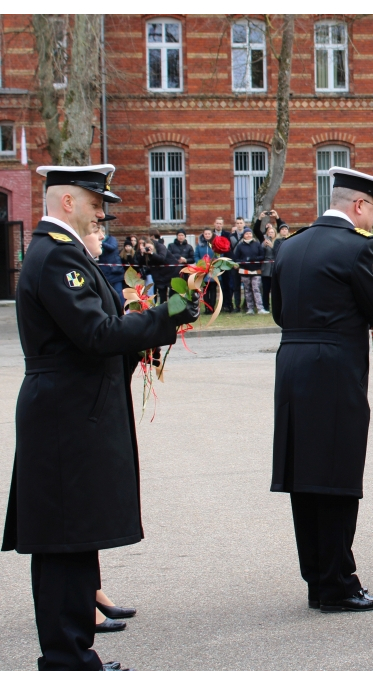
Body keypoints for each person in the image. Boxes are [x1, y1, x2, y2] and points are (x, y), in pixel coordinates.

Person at [1, 164, 198, 671]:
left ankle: (73, 651)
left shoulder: (58, 253)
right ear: (68, 202)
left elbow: (100, 333)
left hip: (69, 407)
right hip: (66, 412)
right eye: (94, 203)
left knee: (74, 534)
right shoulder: (56, 257)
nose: (100, 213)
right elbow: (95, 334)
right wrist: (166, 317)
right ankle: (68, 658)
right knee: (65, 537)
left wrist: (149, 334)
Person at [271, 166, 373, 613]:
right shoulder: (358, 248)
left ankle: (318, 581)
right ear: (358, 205)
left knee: (305, 479)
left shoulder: (290, 245)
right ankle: (340, 584)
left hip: (293, 368)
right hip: (334, 369)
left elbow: (279, 311)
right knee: (338, 478)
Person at [233, 227, 268, 315]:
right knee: (247, 290)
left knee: (256, 289)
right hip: (245, 271)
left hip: (256, 270)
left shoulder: (257, 244)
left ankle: (260, 308)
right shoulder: (240, 246)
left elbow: (262, 256)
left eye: (250, 233)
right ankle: (250, 308)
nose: (248, 235)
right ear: (244, 235)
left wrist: (253, 259)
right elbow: (236, 258)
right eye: (246, 234)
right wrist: (244, 261)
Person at [96, 225, 125, 308]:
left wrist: (101, 242)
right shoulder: (97, 242)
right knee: (107, 293)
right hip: (105, 272)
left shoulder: (111, 239)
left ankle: (121, 309)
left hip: (115, 271)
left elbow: (112, 247)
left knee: (118, 292)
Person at [195, 228, 218, 314]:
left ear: (212, 235)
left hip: (213, 270)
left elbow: (219, 254)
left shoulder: (216, 244)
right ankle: (206, 307)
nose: (207, 235)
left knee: (213, 289)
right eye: (206, 234)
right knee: (205, 290)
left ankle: (212, 307)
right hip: (203, 270)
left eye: (209, 234)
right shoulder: (199, 245)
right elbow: (196, 255)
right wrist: (200, 263)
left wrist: (215, 262)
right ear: (203, 235)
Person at [261, 226, 278, 308]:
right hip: (266, 269)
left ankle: (275, 307)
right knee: (265, 289)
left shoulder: (277, 242)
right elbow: (261, 254)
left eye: (272, 232)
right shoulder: (264, 242)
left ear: (275, 234)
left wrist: (272, 246)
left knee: (275, 291)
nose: (271, 234)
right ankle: (265, 306)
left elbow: (279, 253)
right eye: (269, 232)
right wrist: (263, 246)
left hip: (275, 268)